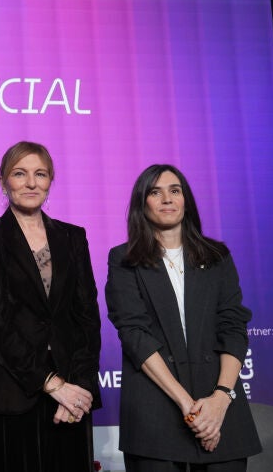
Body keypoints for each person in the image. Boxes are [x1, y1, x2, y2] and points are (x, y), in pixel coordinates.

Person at [106, 164, 262, 471]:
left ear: (185, 200)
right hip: (155, 409)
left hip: (219, 408)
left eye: (174, 191)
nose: (167, 199)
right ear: (142, 204)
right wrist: (189, 407)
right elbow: (134, 334)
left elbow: (233, 328)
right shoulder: (124, 260)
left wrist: (220, 400)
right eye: (156, 192)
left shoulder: (217, 257)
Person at [0, 141, 101, 471]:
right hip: (14, 390)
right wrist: (52, 384)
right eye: (20, 173)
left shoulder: (73, 237)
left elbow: (87, 315)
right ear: (3, 181)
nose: (31, 183)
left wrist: (79, 387)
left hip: (72, 392)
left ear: (50, 180)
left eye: (40, 174)